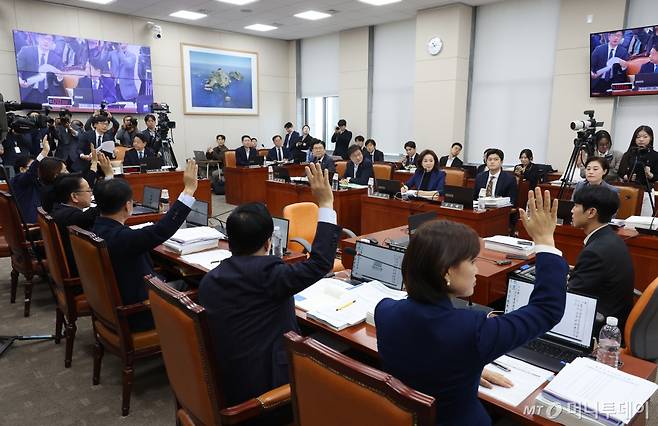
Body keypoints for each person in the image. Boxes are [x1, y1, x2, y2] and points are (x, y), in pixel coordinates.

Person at [375, 188, 568, 426]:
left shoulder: (384, 311)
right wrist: (545, 242)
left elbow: (425, 357)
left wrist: (468, 368)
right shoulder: (473, 331)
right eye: (473, 261)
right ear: (446, 271)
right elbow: (546, 309)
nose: (477, 270)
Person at [198, 163, 339, 407]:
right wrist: (325, 205)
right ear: (267, 241)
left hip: (227, 378)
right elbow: (320, 264)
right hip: (268, 390)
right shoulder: (269, 275)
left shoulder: (211, 279)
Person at [92, 160, 198, 332]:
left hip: (116, 303)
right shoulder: (122, 238)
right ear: (128, 206)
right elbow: (162, 230)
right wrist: (189, 190)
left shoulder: (97, 227)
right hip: (141, 312)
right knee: (198, 286)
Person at [568, 185, 634, 336]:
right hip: (616, 314)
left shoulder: (594, 252)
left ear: (591, 212)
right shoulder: (611, 238)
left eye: (576, 205)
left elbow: (573, 295)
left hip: (601, 329)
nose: (572, 210)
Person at [51, 154, 114, 276]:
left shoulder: (59, 208)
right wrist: (109, 177)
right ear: (74, 196)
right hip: (83, 271)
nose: (91, 194)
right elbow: (98, 211)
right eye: (88, 191)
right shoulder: (74, 218)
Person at [16, 33, 66, 104]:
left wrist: (60, 77)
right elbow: (18, 69)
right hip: (29, 91)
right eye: (43, 38)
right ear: (38, 39)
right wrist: (20, 80)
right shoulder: (26, 51)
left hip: (47, 93)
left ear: (52, 42)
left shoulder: (56, 59)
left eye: (49, 39)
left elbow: (58, 82)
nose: (46, 42)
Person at [10, 137, 49, 223]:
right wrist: (44, 153)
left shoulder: (37, 180)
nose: (38, 169)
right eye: (32, 166)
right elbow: (31, 173)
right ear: (22, 169)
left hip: (41, 220)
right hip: (30, 223)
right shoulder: (18, 180)